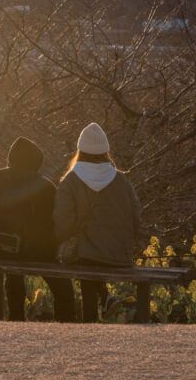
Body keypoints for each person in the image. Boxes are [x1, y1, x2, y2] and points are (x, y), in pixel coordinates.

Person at [0, 136, 75, 321]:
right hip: (39, 253)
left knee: (13, 275)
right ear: (36, 162)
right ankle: (67, 325)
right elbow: (56, 222)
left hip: (2, 250)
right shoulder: (45, 186)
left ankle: (16, 318)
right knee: (63, 290)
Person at [54, 122, 141, 322]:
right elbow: (136, 219)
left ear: (80, 151)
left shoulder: (70, 181)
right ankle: (105, 297)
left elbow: (62, 227)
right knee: (91, 255)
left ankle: (96, 312)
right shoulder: (121, 180)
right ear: (105, 152)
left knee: (86, 257)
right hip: (120, 255)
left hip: (85, 256)